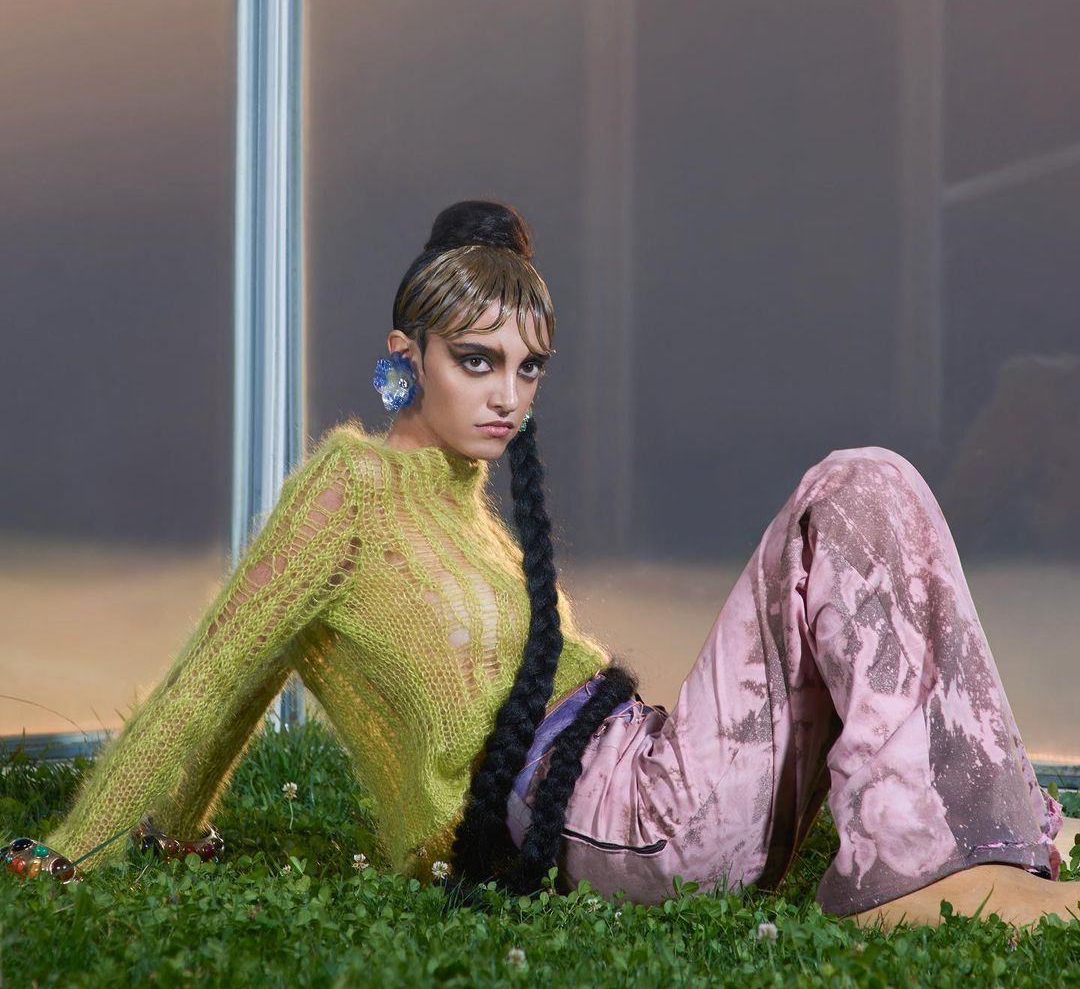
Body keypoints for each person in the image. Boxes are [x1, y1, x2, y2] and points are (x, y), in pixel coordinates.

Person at [22, 200, 1077, 930]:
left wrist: (184, 828)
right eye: (477, 361)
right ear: (404, 359)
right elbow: (220, 672)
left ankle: (980, 836)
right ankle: (925, 863)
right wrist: (93, 842)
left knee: (877, 487)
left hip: (649, 774)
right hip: (616, 822)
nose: (508, 396)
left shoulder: (471, 515)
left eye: (528, 369)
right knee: (855, 484)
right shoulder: (346, 492)